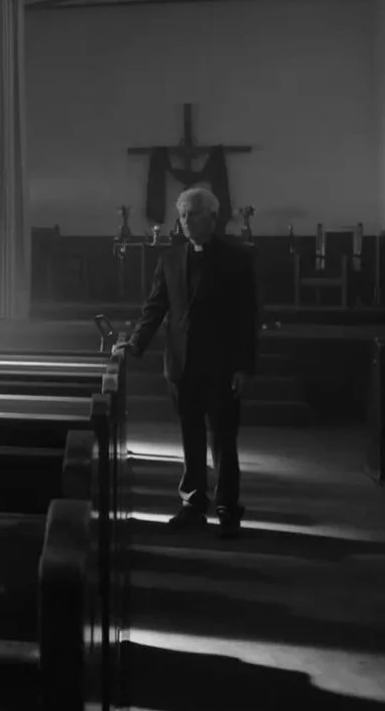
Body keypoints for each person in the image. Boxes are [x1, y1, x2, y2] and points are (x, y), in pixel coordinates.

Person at [116, 186, 258, 538]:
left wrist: (244, 366)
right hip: (181, 363)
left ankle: (227, 507)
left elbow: (247, 316)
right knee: (190, 436)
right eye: (182, 215)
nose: (185, 221)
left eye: (192, 214)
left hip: (223, 364)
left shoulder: (237, 257)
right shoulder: (170, 258)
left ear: (212, 216)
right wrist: (136, 343)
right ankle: (193, 504)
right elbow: (155, 307)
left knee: (223, 439)